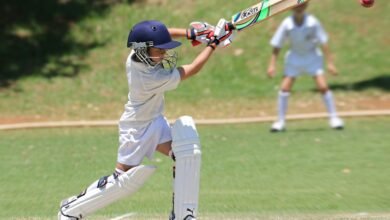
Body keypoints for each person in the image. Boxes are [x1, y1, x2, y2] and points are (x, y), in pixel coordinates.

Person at [58, 20, 234, 220]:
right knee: (122, 180)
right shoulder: (149, 77)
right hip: (136, 128)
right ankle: (70, 211)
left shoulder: (136, 54)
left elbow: (162, 33)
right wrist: (214, 43)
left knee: (187, 153)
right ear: (144, 50)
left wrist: (191, 33)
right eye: (160, 50)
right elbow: (192, 68)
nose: (165, 54)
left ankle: (183, 215)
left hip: (155, 121)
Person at [267, 2, 344, 132]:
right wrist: (272, 64)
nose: (299, 7)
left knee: (323, 87)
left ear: (306, 6)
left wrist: (330, 63)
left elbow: (323, 42)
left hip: (312, 57)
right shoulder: (287, 24)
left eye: (302, 4)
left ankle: (334, 118)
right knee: (284, 89)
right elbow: (277, 44)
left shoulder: (313, 22)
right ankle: (280, 122)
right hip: (294, 58)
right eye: (296, 4)